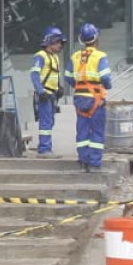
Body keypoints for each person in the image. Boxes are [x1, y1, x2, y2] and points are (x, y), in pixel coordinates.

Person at [71, 23, 112, 171]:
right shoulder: (100, 56)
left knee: (82, 130)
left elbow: (69, 77)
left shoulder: (75, 56)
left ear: (81, 39)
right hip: (95, 99)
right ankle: (94, 163)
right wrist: (107, 87)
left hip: (79, 98)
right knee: (97, 131)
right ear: (96, 38)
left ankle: (83, 161)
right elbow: (105, 78)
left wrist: (80, 85)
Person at [31, 28, 65, 158]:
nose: (60, 45)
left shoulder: (55, 57)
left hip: (52, 94)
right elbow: (34, 74)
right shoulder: (41, 56)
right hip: (45, 95)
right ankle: (44, 149)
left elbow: (53, 75)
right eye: (58, 42)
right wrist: (41, 91)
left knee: (50, 121)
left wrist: (58, 88)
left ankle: (46, 147)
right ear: (50, 41)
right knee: (45, 122)